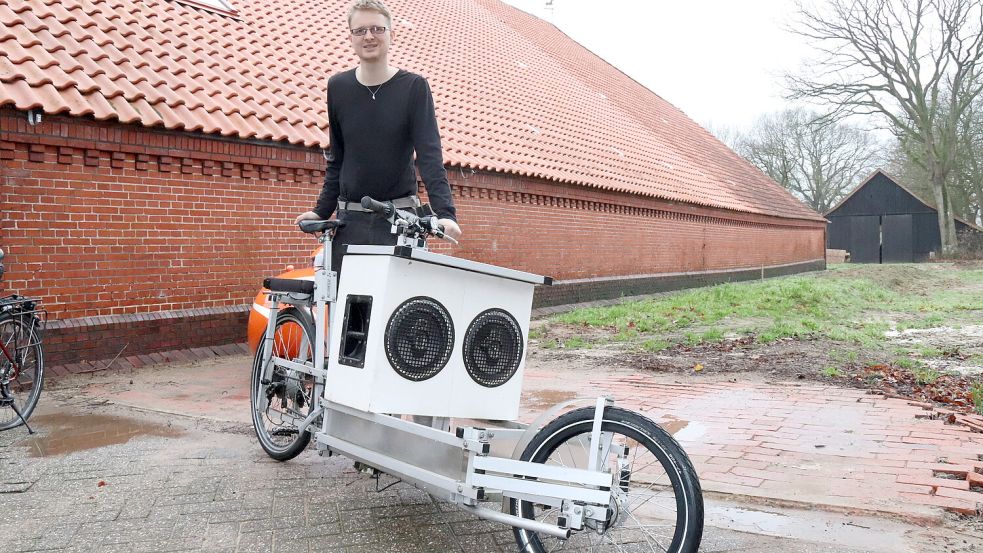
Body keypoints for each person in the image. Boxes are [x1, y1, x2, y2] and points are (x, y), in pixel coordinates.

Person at [295, 0, 462, 275]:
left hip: (400, 221)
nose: (369, 36)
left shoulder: (414, 87)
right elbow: (338, 158)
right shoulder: (338, 88)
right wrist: (321, 211)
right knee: (348, 313)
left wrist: (445, 214)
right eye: (360, 31)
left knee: (400, 314)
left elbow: (430, 157)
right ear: (350, 38)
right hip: (351, 223)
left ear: (391, 35)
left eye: (377, 28)